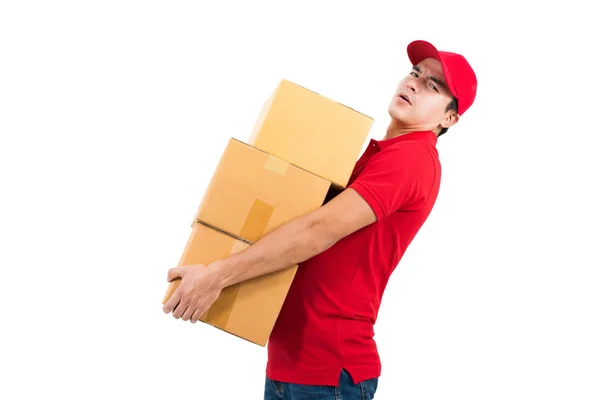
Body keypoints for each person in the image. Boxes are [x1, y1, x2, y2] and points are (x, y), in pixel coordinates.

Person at [163, 39, 478, 399]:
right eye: (414, 73)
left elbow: (318, 231)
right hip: (294, 366)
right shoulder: (379, 154)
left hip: (329, 371)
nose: (413, 84)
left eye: (431, 86)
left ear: (449, 118)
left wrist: (216, 276)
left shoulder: (410, 159)